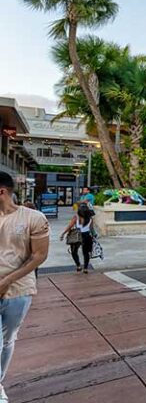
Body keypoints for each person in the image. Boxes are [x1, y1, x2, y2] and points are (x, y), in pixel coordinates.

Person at [0, 171, 49, 403]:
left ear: (2, 192)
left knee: (8, 339)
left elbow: (39, 256)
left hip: (18, 292)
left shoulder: (33, 218)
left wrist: (7, 281)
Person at [59, 204, 95, 274]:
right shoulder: (90, 219)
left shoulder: (76, 217)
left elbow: (70, 226)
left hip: (77, 235)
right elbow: (91, 229)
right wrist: (94, 236)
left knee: (74, 251)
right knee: (86, 253)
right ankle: (85, 268)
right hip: (87, 236)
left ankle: (78, 265)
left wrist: (63, 233)